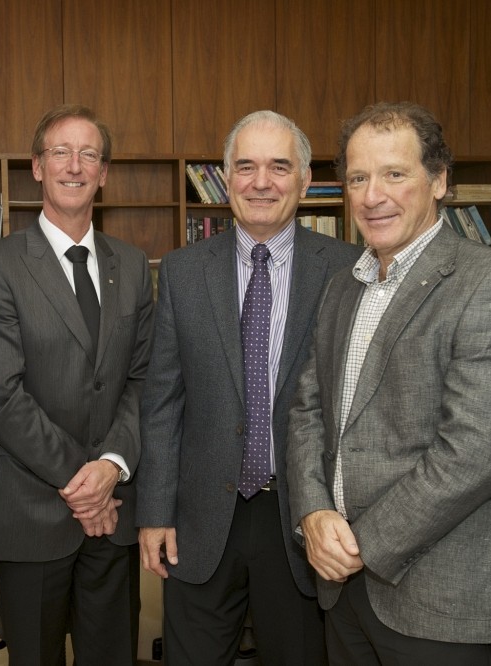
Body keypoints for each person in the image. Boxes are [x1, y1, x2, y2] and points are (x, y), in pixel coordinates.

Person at [286, 102, 491, 665]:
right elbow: (308, 409)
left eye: (394, 174)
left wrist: (360, 545)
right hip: (341, 587)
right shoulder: (342, 287)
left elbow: (475, 452)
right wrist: (312, 512)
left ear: (439, 181)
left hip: (442, 598)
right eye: (358, 177)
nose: (372, 194)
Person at [137, 110, 362, 665]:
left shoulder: (348, 269)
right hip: (200, 517)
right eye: (246, 166)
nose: (261, 181)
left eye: (279, 166)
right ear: (227, 177)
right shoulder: (183, 272)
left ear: (306, 181)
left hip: (302, 517)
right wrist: (154, 510)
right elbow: (163, 401)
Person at [0, 104, 152, 666]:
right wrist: (81, 482)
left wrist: (111, 466)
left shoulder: (136, 265)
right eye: (60, 153)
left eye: (88, 154)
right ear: (38, 167)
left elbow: (142, 379)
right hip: (31, 514)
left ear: (104, 173)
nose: (75, 165)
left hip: (114, 513)